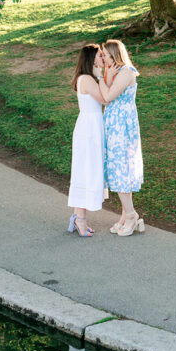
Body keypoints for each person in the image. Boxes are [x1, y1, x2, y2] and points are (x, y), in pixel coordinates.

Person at [98, 39, 144, 236]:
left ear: (115, 55)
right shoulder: (116, 72)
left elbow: (108, 97)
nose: (104, 59)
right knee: (117, 167)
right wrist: (106, 75)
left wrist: (99, 78)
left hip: (122, 128)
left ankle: (132, 216)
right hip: (114, 125)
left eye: (106, 55)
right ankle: (125, 216)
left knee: (121, 168)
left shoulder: (126, 72)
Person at [67, 43, 107, 237]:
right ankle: (80, 219)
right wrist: (101, 76)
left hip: (92, 125)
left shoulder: (88, 78)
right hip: (89, 127)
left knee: (86, 169)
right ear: (92, 59)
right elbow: (105, 99)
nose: (103, 59)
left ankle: (78, 217)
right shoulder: (88, 79)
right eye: (100, 56)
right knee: (85, 170)